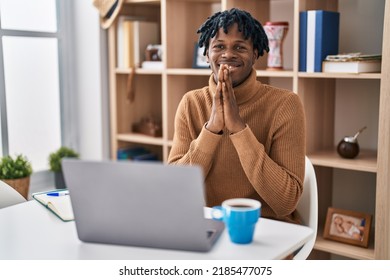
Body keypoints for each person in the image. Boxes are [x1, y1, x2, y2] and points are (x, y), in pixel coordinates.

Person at [168, 8, 306, 224]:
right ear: (206, 54)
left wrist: (239, 129)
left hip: (267, 227)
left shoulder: (285, 105)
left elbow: (286, 201)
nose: (228, 54)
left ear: (255, 54)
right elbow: (174, 190)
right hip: (207, 224)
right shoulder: (191, 103)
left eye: (240, 47)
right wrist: (212, 129)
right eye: (219, 46)